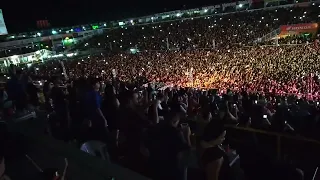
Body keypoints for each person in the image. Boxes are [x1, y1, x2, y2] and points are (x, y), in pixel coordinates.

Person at [145, 107, 191, 180]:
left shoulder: (155, 129)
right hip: (171, 170)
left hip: (154, 167)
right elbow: (186, 152)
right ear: (175, 121)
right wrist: (187, 135)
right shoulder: (177, 133)